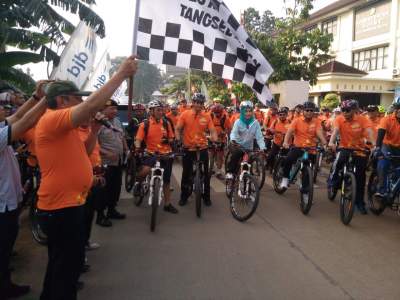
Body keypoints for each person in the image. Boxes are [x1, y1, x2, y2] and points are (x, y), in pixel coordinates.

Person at [34, 56, 137, 300]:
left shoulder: (64, 127)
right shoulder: (51, 119)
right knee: (65, 271)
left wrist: (96, 129)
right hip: (61, 207)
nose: (80, 102)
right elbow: (91, 105)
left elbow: (81, 153)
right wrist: (121, 74)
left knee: (62, 267)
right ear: (61, 101)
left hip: (70, 202)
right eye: (75, 98)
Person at [0, 82, 48, 300]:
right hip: (2, 205)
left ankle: (6, 283)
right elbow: (24, 122)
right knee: (2, 249)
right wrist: (48, 99)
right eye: (2, 106)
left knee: (6, 248)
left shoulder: (1, 128)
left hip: (9, 201)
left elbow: (18, 117)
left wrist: (37, 97)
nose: (6, 109)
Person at [328, 100, 375, 214]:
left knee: (361, 176)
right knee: (339, 161)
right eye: (343, 110)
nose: (344, 112)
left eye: (347, 110)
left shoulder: (363, 119)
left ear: (354, 111)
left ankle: (359, 202)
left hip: (360, 149)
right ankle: (333, 181)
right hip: (344, 147)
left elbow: (369, 131)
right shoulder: (339, 119)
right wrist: (331, 142)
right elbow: (336, 131)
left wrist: (373, 145)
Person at [134, 100, 178, 213]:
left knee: (167, 181)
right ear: (151, 111)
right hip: (151, 153)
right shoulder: (145, 124)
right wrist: (138, 148)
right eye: (158, 110)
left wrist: (172, 144)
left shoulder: (166, 123)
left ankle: (167, 204)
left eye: (162, 110)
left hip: (166, 154)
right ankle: (138, 183)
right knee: (145, 171)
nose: (161, 112)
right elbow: (138, 139)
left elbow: (172, 138)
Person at [175, 93, 218, 206]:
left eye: (201, 103)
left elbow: (212, 130)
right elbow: (178, 129)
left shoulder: (207, 116)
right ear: (193, 103)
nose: (198, 105)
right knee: (186, 173)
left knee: (206, 173)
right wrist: (178, 141)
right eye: (196, 102)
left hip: (202, 147)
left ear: (203, 104)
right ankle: (184, 196)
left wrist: (215, 140)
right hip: (188, 148)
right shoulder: (185, 114)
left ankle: (206, 197)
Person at [280, 101, 327, 189]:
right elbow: (289, 132)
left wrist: (324, 143)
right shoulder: (297, 120)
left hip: (311, 148)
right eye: (307, 110)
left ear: (314, 112)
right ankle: (285, 178)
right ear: (303, 111)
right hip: (298, 147)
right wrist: (285, 142)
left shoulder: (316, 122)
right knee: (288, 159)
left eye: (311, 111)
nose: (309, 112)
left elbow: (319, 133)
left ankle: (305, 192)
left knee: (308, 170)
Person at [96, 99, 128, 227]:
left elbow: (122, 136)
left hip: (118, 161)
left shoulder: (117, 121)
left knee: (115, 188)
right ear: (103, 109)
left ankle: (111, 210)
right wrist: (105, 152)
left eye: (116, 109)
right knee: (103, 190)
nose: (115, 111)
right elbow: (93, 144)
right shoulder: (98, 124)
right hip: (104, 163)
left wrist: (126, 148)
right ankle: (100, 216)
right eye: (111, 108)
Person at [225, 101, 266, 179]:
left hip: (248, 147)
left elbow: (259, 137)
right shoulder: (238, 122)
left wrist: (262, 147)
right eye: (246, 111)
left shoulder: (255, 123)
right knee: (236, 154)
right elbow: (233, 133)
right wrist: (233, 140)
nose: (248, 113)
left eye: (250, 111)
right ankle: (230, 172)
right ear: (242, 111)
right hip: (236, 144)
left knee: (247, 165)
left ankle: (246, 180)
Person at [374, 97, 400, 199]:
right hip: (387, 146)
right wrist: (377, 149)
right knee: (383, 164)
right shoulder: (387, 119)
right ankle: (382, 190)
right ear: (395, 109)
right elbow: (380, 135)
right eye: (398, 108)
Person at [209, 103, 230, 179]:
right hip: (211, 139)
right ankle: (210, 168)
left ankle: (218, 171)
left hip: (221, 140)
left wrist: (224, 132)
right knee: (211, 155)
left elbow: (229, 128)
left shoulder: (225, 118)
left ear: (221, 112)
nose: (217, 114)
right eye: (215, 112)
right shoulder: (210, 116)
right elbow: (205, 126)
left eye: (218, 113)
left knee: (219, 156)